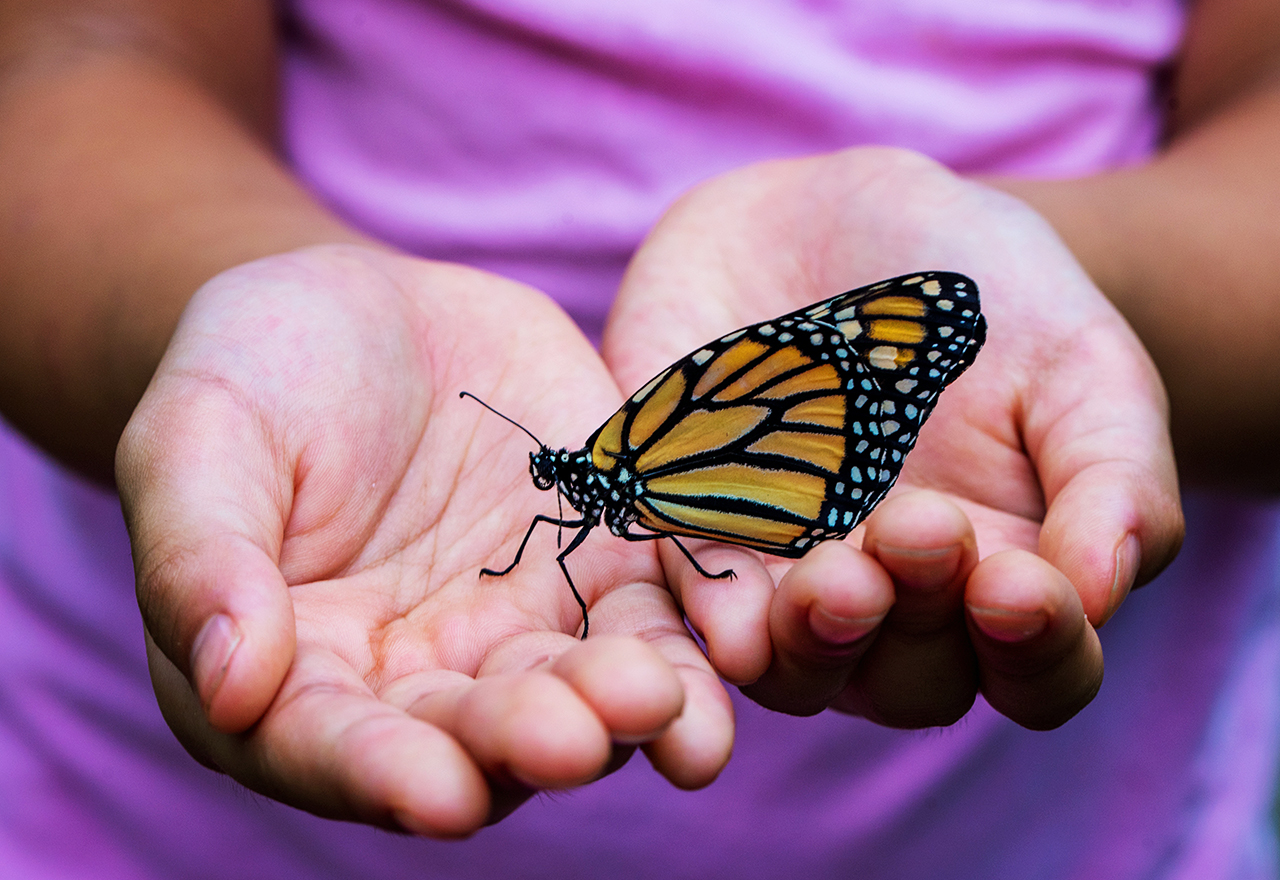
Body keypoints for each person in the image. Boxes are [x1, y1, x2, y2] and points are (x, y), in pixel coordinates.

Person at [0, 0, 1274, 876]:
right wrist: (246, 311)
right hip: (125, 823)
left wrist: (1091, 291)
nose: (559, 483)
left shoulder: (637, 455)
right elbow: (71, 67)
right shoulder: (617, 472)